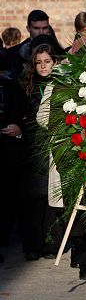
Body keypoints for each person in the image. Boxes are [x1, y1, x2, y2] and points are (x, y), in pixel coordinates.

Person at [19, 43, 64, 261]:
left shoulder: (61, 84)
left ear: (55, 62)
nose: (43, 67)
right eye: (38, 63)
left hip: (53, 144)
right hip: (31, 145)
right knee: (33, 197)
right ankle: (32, 245)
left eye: (47, 62)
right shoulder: (27, 86)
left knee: (50, 197)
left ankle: (50, 243)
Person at [0, 56, 30, 264]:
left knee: (9, 200)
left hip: (8, 156)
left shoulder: (11, 88)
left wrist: (19, 129)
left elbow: (28, 116)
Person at [4, 10, 53, 79]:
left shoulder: (57, 52)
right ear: (28, 28)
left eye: (44, 28)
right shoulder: (12, 53)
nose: (41, 32)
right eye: (36, 28)